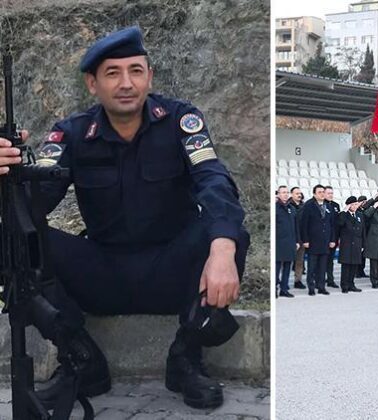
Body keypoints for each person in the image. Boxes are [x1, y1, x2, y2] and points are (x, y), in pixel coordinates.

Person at [0, 27, 250, 409]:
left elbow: (213, 180)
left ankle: (186, 358)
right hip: (103, 272)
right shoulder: (73, 134)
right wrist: (8, 176)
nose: (126, 83)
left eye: (135, 70)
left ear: (149, 76)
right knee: (17, 239)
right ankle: (81, 359)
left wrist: (222, 248)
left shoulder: (181, 121)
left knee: (227, 231)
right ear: (92, 83)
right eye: (113, 73)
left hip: (173, 269)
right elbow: (32, 206)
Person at [300, 185, 335, 296]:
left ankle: (321, 287)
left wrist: (332, 239)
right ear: (314, 194)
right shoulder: (309, 206)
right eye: (319, 192)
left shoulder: (328, 206)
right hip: (313, 241)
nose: (322, 194)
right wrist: (305, 240)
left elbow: (332, 224)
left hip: (325, 241)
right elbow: (304, 224)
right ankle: (311, 286)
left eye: (323, 192)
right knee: (312, 266)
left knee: (322, 266)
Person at [336, 196, 364, 293]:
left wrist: (362, 244)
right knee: (346, 266)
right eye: (353, 204)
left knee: (354, 265)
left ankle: (351, 284)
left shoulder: (360, 215)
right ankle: (344, 285)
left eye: (356, 204)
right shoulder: (343, 215)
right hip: (346, 243)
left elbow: (362, 231)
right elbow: (340, 224)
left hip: (357, 243)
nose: (355, 206)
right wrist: (344, 211)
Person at [276, 186, 297, 298]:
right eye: (283, 192)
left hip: (290, 242)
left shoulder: (291, 208)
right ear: (278, 194)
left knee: (287, 267)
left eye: (287, 192)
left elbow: (296, 226)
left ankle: (284, 289)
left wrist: (297, 241)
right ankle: (274, 289)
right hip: (278, 243)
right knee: (277, 268)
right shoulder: (275, 208)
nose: (285, 194)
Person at [289, 186, 306, 289]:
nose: (299, 195)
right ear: (292, 194)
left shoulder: (304, 207)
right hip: (290, 238)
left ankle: (297, 280)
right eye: (296, 193)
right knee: (285, 262)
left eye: (300, 193)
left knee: (299, 261)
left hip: (301, 238)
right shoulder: (288, 206)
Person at [324, 186, 340, 288]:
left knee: (330, 261)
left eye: (332, 193)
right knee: (321, 261)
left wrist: (335, 238)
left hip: (334, 237)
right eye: (328, 193)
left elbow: (337, 223)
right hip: (323, 239)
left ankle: (330, 279)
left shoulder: (336, 205)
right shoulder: (321, 205)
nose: (331, 195)